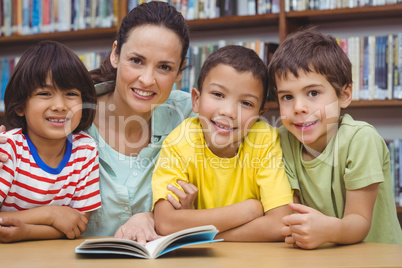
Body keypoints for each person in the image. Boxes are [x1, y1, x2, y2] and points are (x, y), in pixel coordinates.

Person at [0, 2, 194, 245]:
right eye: (136, 60)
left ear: (180, 72)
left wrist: (152, 217)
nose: (146, 79)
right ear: (115, 54)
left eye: (164, 67)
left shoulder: (191, 114)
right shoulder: (67, 116)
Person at [267, 27, 402, 249]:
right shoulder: (281, 140)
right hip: (321, 256)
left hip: (376, 257)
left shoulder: (361, 139)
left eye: (313, 93)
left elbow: (359, 222)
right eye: (287, 97)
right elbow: (293, 214)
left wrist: (327, 230)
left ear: (344, 95)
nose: (299, 108)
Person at [152, 45, 293, 241]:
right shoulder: (179, 142)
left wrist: (202, 231)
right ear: (196, 100)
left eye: (246, 103)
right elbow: (166, 223)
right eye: (218, 95)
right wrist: (249, 210)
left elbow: (280, 223)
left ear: (259, 115)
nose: (228, 112)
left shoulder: (264, 139)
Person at [0, 41, 101, 243]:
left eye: (71, 94)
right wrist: (51, 215)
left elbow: (78, 224)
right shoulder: (8, 150)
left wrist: (26, 232)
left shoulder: (85, 150)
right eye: (44, 93)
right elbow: (64, 220)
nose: (59, 106)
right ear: (20, 105)